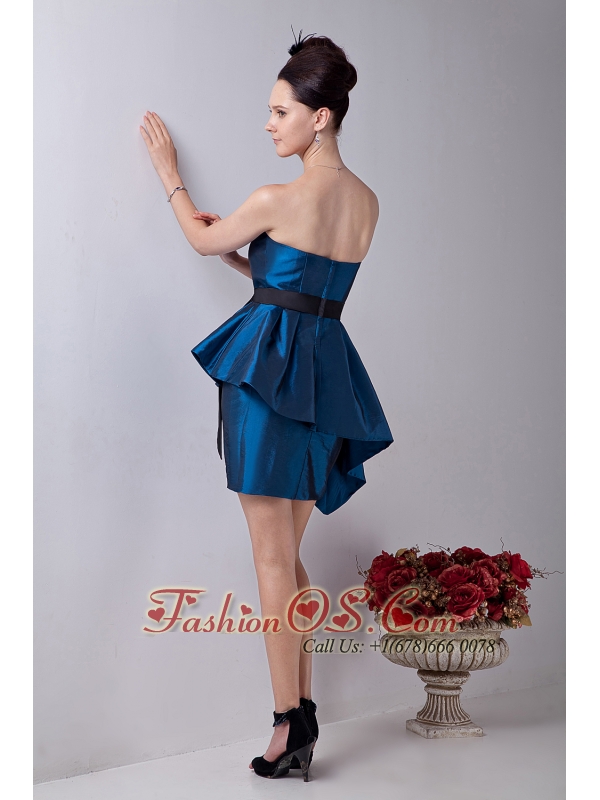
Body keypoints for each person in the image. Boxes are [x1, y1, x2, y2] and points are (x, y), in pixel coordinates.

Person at [140, 31, 393, 782]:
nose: (269, 123)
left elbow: (198, 239)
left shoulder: (275, 198)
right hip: (324, 379)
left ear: (321, 117)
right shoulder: (367, 203)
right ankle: (303, 712)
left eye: (281, 111)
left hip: (268, 376)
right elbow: (309, 288)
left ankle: (289, 721)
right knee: (290, 554)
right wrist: (249, 261)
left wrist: (170, 175)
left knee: (272, 557)